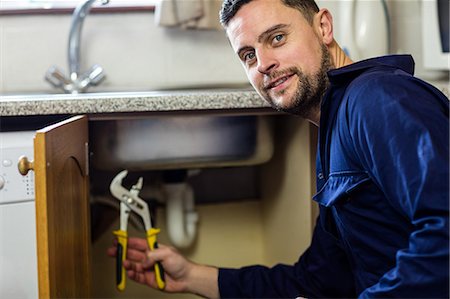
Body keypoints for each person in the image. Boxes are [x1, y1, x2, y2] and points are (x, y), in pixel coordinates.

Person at [107, 0, 449, 297]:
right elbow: (318, 281)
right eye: (248, 54)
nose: (263, 63)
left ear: (324, 27)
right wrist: (192, 275)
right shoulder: (334, 130)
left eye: (277, 38)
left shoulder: (376, 100)